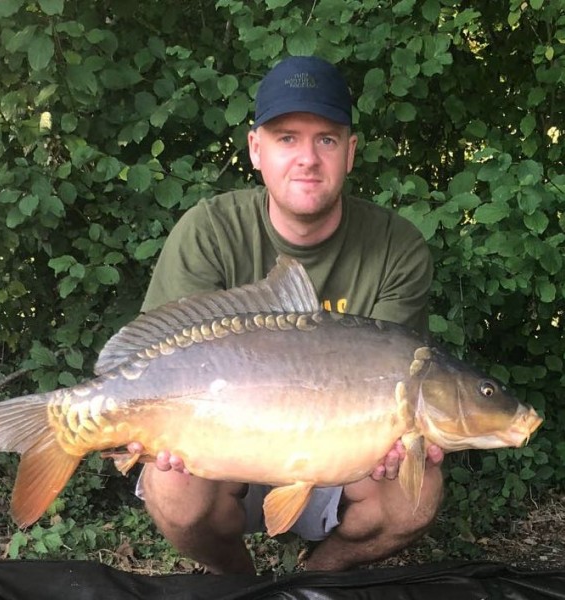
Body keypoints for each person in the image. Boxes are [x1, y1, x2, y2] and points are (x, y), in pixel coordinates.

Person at [132, 56, 444, 574]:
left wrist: (399, 442)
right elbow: (157, 357)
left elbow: (400, 379)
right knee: (173, 489)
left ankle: (318, 576)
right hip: (222, 439)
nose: (307, 158)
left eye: (325, 139)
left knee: (416, 491)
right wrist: (159, 425)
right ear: (256, 149)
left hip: (338, 453)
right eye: (286, 138)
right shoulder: (209, 231)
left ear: (350, 152)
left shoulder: (397, 247)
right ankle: (241, 582)